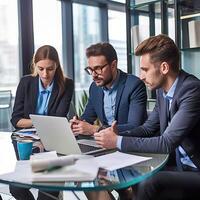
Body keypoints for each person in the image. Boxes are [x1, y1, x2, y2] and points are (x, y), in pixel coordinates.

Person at [94, 34, 200, 170]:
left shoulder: (192, 90)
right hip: (176, 164)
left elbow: (167, 142)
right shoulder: (162, 91)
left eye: (145, 70)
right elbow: (148, 129)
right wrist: (117, 135)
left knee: (148, 182)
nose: (141, 77)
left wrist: (117, 141)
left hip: (194, 168)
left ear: (164, 68)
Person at [10, 45, 74, 200]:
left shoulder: (66, 84)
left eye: (50, 69)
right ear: (35, 65)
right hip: (27, 144)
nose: (45, 74)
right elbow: (15, 119)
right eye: (41, 68)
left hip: (52, 144)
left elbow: (58, 119)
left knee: (48, 190)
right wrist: (39, 122)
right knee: (16, 188)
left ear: (57, 65)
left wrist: (30, 121)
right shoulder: (26, 83)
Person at [70, 42, 147, 136]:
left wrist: (96, 129)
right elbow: (87, 117)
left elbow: (134, 126)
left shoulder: (134, 85)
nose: (94, 75)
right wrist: (77, 124)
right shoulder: (94, 88)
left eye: (98, 68)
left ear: (113, 65)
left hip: (129, 143)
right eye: (90, 69)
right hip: (104, 143)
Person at [135, 171, 200, 200]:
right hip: (183, 165)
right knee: (138, 175)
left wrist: (125, 145)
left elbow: (168, 144)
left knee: (149, 181)